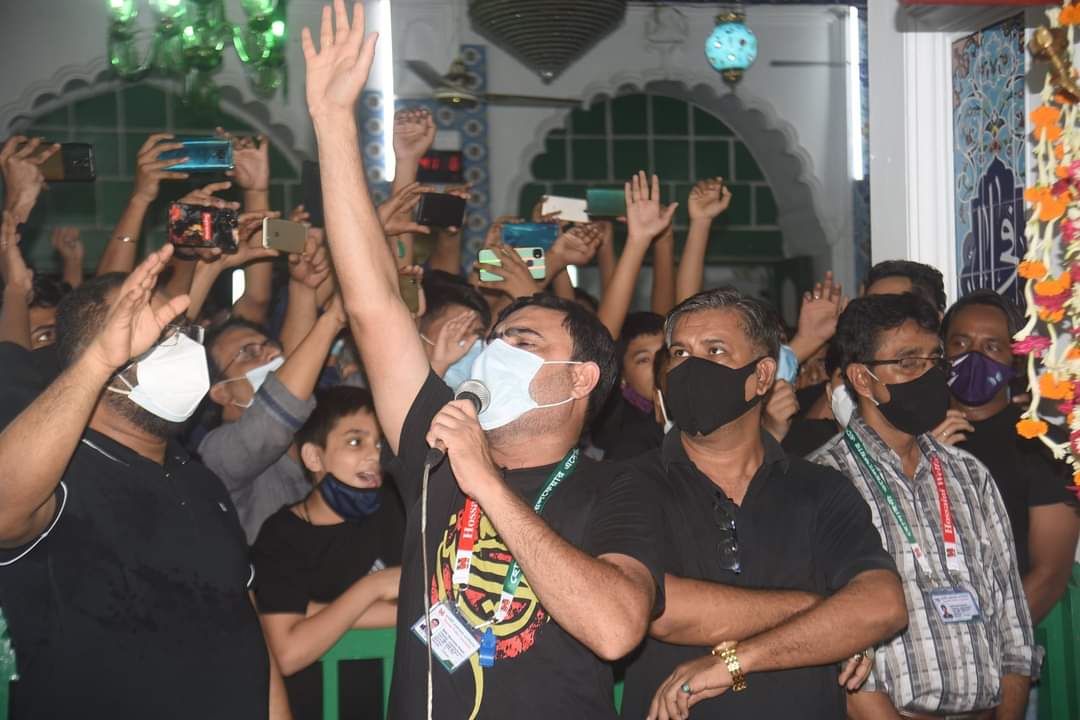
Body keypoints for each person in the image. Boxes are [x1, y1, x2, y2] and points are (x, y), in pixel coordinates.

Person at [300, 5, 664, 717]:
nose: (496, 353)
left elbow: (616, 629)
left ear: (580, 378)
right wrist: (333, 122)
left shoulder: (620, 487)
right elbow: (373, 307)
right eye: (496, 339)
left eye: (523, 342)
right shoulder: (434, 446)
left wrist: (487, 484)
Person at [0, 247, 288, 718]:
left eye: (178, 333)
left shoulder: (202, 484)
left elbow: (246, 627)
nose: (179, 348)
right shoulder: (62, 474)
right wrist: (97, 363)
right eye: (152, 334)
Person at [623, 287, 907, 720]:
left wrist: (734, 663)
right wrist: (821, 610)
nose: (690, 366)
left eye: (714, 350)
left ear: (761, 376)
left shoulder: (820, 488)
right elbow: (654, 607)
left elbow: (882, 605)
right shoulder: (628, 482)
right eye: (679, 353)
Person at [810, 293, 1040, 720]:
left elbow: (1013, 628)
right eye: (908, 362)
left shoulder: (968, 474)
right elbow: (837, 649)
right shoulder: (823, 482)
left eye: (934, 360)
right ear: (862, 379)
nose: (928, 374)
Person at [254, 385, 404, 720]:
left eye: (380, 443)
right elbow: (289, 653)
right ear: (313, 457)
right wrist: (374, 587)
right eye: (355, 441)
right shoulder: (281, 537)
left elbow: (431, 609)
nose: (374, 455)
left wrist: (315, 612)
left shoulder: (397, 510)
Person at [941, 290, 1079, 624]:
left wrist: (990, 640)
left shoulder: (1042, 443)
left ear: (1015, 361)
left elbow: (1049, 574)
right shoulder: (918, 433)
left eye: (991, 347)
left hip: (1000, 634)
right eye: (960, 344)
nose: (973, 357)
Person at [591, 311, 666, 460]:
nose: (659, 365)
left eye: (665, 354)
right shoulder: (628, 442)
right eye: (644, 360)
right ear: (623, 375)